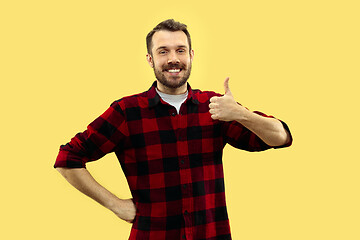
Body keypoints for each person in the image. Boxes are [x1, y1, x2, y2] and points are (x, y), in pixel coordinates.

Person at [55, 19, 292, 240]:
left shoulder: (216, 107)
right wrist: (115, 205)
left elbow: (280, 137)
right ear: (150, 59)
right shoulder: (126, 112)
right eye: (163, 51)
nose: (173, 59)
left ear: (191, 55)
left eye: (180, 50)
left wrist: (241, 114)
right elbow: (67, 159)